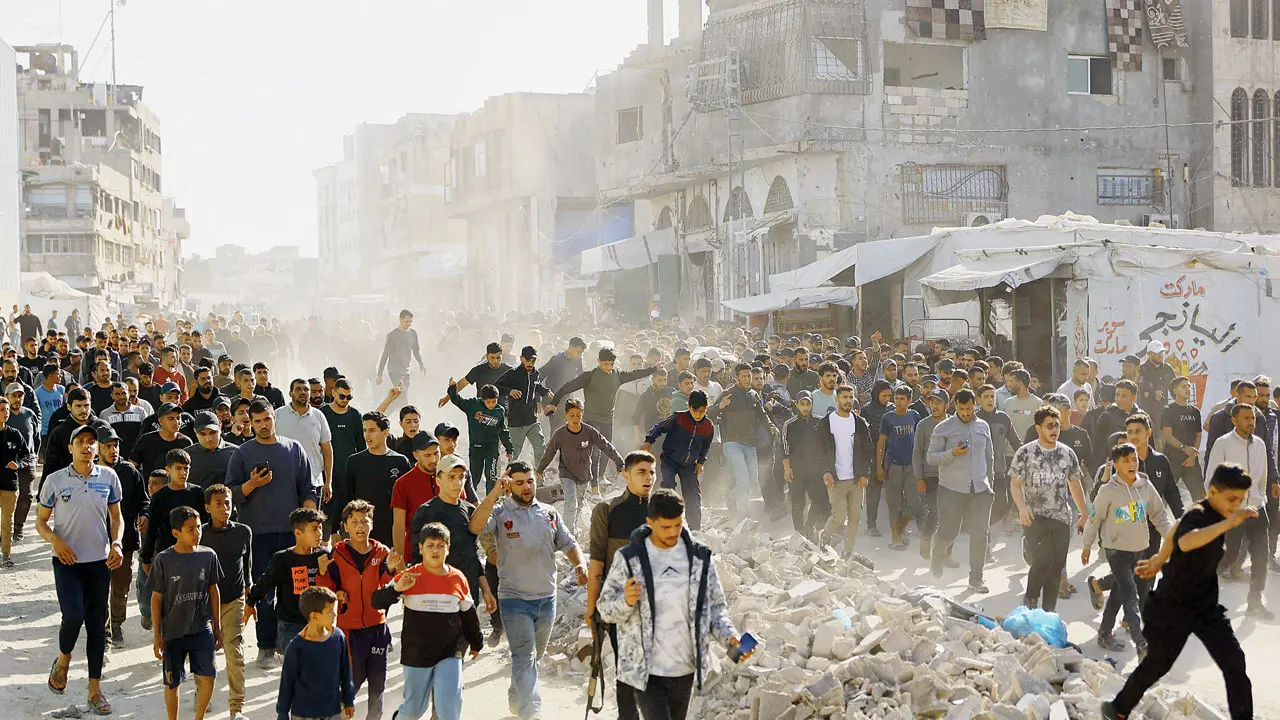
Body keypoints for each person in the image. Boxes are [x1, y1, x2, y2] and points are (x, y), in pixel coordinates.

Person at [1101, 463, 1256, 720]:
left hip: (1205, 606)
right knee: (1156, 666)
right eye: (1231, 499)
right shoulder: (1201, 515)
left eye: (1240, 500)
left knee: (1234, 662)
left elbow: (1175, 529)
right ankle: (1117, 709)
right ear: (1213, 491)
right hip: (1172, 606)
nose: (1236, 505)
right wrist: (1228, 524)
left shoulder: (1209, 511)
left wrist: (1159, 560)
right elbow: (1186, 540)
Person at [597, 489, 745, 720]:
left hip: (685, 670)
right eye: (666, 527)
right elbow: (604, 608)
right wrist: (625, 601)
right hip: (647, 672)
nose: (673, 532)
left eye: (678, 525)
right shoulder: (629, 558)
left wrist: (731, 639)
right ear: (650, 522)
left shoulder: (699, 558)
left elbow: (715, 609)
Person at [468, 462, 589, 720]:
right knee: (524, 654)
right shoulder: (500, 514)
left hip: (547, 600)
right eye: (519, 482)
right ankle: (531, 710)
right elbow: (476, 525)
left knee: (534, 657)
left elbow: (569, 543)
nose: (526, 487)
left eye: (530, 481)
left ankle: (517, 696)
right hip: (514, 600)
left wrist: (580, 564)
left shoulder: (548, 513)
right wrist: (493, 493)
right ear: (509, 484)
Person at [38, 423, 124, 715]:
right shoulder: (55, 480)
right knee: (73, 616)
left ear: (97, 448)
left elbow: (116, 516)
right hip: (67, 562)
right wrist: (55, 540)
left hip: (99, 562)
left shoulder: (109, 477)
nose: (87, 447)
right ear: (70, 448)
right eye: (81, 442)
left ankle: (95, 690)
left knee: (97, 627)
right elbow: (41, 521)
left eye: (92, 442)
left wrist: (118, 543)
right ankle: (63, 659)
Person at [225, 399, 319, 667]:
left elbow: (308, 489)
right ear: (249, 423)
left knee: (298, 589)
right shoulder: (242, 453)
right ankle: (265, 646)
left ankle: (295, 641)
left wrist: (311, 522)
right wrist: (252, 484)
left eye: (267, 419)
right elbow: (230, 494)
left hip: (293, 536)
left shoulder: (294, 449)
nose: (263, 425)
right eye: (257, 421)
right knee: (263, 591)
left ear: (274, 418)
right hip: (258, 536)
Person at [372, 522, 483, 720]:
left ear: (448, 549)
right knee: (414, 710)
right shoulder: (409, 576)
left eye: (441, 545)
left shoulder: (457, 578)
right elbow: (377, 601)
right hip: (417, 652)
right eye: (430, 545)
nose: (435, 550)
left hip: (450, 651)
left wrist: (476, 642)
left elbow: (469, 614)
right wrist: (397, 589)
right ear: (421, 548)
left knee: (449, 709)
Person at [1082, 443, 1173, 657]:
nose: (1132, 464)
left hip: (1138, 549)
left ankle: (1104, 633)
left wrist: (1171, 540)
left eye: (1134, 459)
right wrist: (1086, 545)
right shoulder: (1107, 491)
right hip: (1115, 550)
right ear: (1116, 465)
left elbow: (1159, 515)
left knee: (1118, 593)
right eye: (1126, 461)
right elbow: (1094, 519)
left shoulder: (1145, 486)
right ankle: (1141, 644)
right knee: (1130, 593)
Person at [586, 450, 656, 720]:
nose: (648, 477)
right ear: (625, 475)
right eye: (641, 472)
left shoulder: (664, 510)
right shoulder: (607, 510)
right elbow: (596, 564)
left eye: (652, 472)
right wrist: (591, 609)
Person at [318, 500, 397, 720]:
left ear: (372, 523)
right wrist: (327, 578)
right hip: (349, 630)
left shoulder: (381, 551)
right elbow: (328, 589)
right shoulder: (337, 553)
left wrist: (390, 567)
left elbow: (386, 582)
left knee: (378, 682)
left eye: (365, 521)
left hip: (377, 627)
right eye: (355, 522)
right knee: (354, 678)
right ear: (345, 526)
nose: (360, 526)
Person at [1009, 405, 1088, 611]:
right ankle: (1030, 601)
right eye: (1049, 426)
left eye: (1057, 425)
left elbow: (1075, 484)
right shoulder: (1026, 453)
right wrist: (1022, 507)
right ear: (1038, 428)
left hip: (1061, 517)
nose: (1055, 429)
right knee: (1043, 559)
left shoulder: (1067, 453)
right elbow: (1015, 485)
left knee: (1056, 566)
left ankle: (1049, 612)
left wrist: (1083, 512)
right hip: (1035, 516)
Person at [1204, 402, 1277, 618]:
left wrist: (1258, 498)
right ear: (1234, 420)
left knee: (1261, 557)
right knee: (1229, 557)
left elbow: (1262, 477)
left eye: (1253, 418)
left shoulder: (1260, 444)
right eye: (1246, 418)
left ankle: (1255, 601)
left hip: (1255, 508)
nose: (1251, 422)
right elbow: (1211, 478)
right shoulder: (1223, 443)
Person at [150, 505, 223, 720]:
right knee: (172, 681)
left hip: (202, 628)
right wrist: (157, 635)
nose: (197, 533)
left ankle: (198, 717)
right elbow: (156, 597)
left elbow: (214, 590)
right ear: (176, 533)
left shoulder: (208, 556)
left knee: (208, 676)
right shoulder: (164, 559)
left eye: (199, 528)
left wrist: (217, 627)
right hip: (173, 631)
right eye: (190, 529)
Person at [553, 347, 658, 490]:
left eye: (611, 364)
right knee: (595, 453)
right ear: (598, 362)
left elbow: (635, 374)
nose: (608, 367)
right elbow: (567, 387)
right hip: (591, 419)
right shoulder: (589, 376)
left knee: (606, 450)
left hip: (608, 419)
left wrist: (653, 369)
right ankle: (593, 485)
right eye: (605, 364)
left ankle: (600, 477)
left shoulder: (617, 375)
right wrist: (554, 403)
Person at [925, 388, 995, 592]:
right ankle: (937, 556)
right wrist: (952, 453)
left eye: (969, 408)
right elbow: (931, 457)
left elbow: (989, 457)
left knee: (980, 535)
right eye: (962, 409)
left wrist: (989, 484)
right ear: (955, 406)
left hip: (981, 490)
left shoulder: (983, 426)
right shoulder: (943, 428)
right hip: (952, 489)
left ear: (975, 406)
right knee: (949, 531)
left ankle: (976, 579)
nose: (966, 413)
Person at [244, 508, 332, 655]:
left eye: (321, 528)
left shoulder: (324, 556)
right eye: (314, 529)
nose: (319, 534)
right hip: (290, 624)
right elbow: (266, 582)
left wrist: (323, 572)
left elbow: (332, 586)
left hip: (318, 621)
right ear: (298, 533)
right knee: (297, 665)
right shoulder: (282, 559)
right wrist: (250, 602)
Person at [201, 484, 252, 720]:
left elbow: (248, 568)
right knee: (204, 653)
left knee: (234, 652)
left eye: (228, 503)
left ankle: (236, 707)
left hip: (233, 600)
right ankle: (202, 695)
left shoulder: (243, 532)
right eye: (219, 504)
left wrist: (249, 599)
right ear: (207, 507)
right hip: (203, 603)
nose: (225, 508)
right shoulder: (200, 534)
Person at [537, 397, 624, 532]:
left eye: (578, 415)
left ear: (582, 414)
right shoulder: (560, 434)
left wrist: (619, 462)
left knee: (578, 504)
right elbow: (550, 452)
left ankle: (573, 527)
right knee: (571, 501)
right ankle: (567, 533)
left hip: (584, 474)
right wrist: (541, 468)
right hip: (566, 473)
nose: (575, 418)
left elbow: (605, 446)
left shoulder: (590, 432)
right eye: (572, 415)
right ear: (566, 415)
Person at [96, 426, 148, 646]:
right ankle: (101, 627)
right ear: (97, 448)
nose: (113, 450)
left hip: (124, 541)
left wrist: (145, 514)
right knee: (97, 587)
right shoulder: (88, 473)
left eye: (115, 445)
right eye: (107, 446)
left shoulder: (129, 471)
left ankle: (115, 626)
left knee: (120, 587)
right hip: (94, 541)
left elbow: (144, 500)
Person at [276, 586, 356, 720]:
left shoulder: (338, 638)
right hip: (304, 714)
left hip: (333, 711)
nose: (335, 615)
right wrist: (282, 713)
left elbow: (346, 672)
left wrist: (349, 699)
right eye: (330, 611)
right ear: (314, 616)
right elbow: (286, 683)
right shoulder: (296, 648)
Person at [709, 362, 777, 514]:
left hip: (750, 443)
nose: (747, 379)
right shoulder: (728, 394)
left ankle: (732, 496)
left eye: (749, 376)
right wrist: (721, 406)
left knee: (753, 481)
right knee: (743, 479)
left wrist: (771, 425)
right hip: (732, 443)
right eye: (743, 376)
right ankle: (746, 515)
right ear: (736, 377)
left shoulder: (753, 395)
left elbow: (762, 414)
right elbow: (709, 414)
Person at [642, 391, 714, 531]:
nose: (698, 414)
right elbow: (659, 427)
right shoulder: (679, 418)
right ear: (689, 406)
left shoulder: (708, 427)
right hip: (670, 459)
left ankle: (695, 529)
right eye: (695, 410)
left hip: (689, 465)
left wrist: (701, 463)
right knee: (668, 486)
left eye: (702, 411)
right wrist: (649, 441)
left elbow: (705, 447)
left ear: (707, 408)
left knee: (693, 495)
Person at [819, 385, 874, 558]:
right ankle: (825, 536)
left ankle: (847, 552)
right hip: (836, 479)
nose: (848, 401)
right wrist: (825, 472)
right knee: (839, 516)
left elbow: (867, 450)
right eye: (844, 397)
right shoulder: (827, 422)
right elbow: (818, 450)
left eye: (851, 397)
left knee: (855, 518)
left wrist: (865, 473)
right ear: (837, 399)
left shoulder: (859, 423)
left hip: (856, 479)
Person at [342, 411, 411, 548]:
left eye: (372, 430)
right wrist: (334, 531)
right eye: (365, 430)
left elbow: (408, 500)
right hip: (362, 531)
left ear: (385, 432)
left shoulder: (400, 461)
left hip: (390, 531)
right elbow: (344, 497)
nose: (367, 435)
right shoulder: (354, 461)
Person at [781, 391, 832, 540]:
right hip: (796, 470)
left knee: (817, 500)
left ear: (812, 405)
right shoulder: (789, 425)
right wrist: (786, 468)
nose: (805, 407)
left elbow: (826, 446)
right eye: (802, 404)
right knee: (798, 502)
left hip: (816, 470)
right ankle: (799, 532)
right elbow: (784, 449)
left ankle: (809, 526)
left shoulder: (820, 422)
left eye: (808, 404)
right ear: (797, 404)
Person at [447, 380, 513, 493]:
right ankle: (470, 503)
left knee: (491, 476)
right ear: (483, 400)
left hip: (492, 448)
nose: (491, 405)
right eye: (488, 402)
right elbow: (457, 400)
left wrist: (509, 448)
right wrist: (453, 388)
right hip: (476, 448)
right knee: (474, 478)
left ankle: (491, 503)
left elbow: (503, 431)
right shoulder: (473, 405)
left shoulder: (499, 411)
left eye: (494, 401)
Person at [276, 378, 334, 504]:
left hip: (313, 481)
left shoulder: (319, 416)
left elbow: (327, 449)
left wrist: (328, 481)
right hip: (284, 482)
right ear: (290, 393)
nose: (303, 392)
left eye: (306, 389)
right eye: (298, 389)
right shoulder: (278, 415)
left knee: (312, 522)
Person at [877, 385, 921, 551]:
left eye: (903, 399)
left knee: (914, 503)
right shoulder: (888, 418)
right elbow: (881, 443)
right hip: (893, 465)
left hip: (911, 465)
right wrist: (879, 466)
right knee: (894, 503)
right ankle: (895, 538)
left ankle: (901, 527)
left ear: (909, 400)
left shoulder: (914, 416)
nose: (899, 402)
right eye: (896, 398)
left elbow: (918, 440)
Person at [496, 345, 554, 463]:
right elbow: (496, 386)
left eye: (533, 360)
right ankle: (512, 479)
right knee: (514, 454)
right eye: (527, 360)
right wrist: (510, 391)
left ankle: (539, 479)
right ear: (521, 358)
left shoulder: (535, 373)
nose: (530, 363)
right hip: (516, 422)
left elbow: (535, 385)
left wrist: (545, 392)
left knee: (540, 448)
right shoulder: (513, 373)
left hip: (532, 420)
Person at [3, 384, 38, 549]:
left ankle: (18, 527)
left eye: (20, 396)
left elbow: (36, 437)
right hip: (8, 464)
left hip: (27, 461)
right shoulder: (4, 415)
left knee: (26, 495)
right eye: (14, 396)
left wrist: (34, 455)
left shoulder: (29, 414)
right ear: (7, 396)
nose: (17, 399)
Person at [376, 309, 425, 406]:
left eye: (410, 321)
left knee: (400, 397)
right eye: (406, 321)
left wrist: (421, 363)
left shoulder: (412, 333)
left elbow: (416, 350)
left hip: (406, 370)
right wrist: (379, 374)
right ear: (400, 320)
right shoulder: (392, 335)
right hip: (394, 370)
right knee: (403, 393)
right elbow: (385, 355)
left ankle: (385, 414)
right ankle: (405, 415)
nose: (409, 324)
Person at [131, 403, 194, 478]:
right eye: (170, 418)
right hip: (151, 487)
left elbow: (191, 470)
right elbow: (132, 465)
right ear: (160, 421)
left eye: (178, 418)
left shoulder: (186, 442)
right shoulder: (146, 440)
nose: (176, 422)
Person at [186, 411, 237, 488]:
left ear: (220, 427)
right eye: (203, 434)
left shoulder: (236, 452)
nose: (208, 439)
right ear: (195, 432)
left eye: (213, 432)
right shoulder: (186, 456)